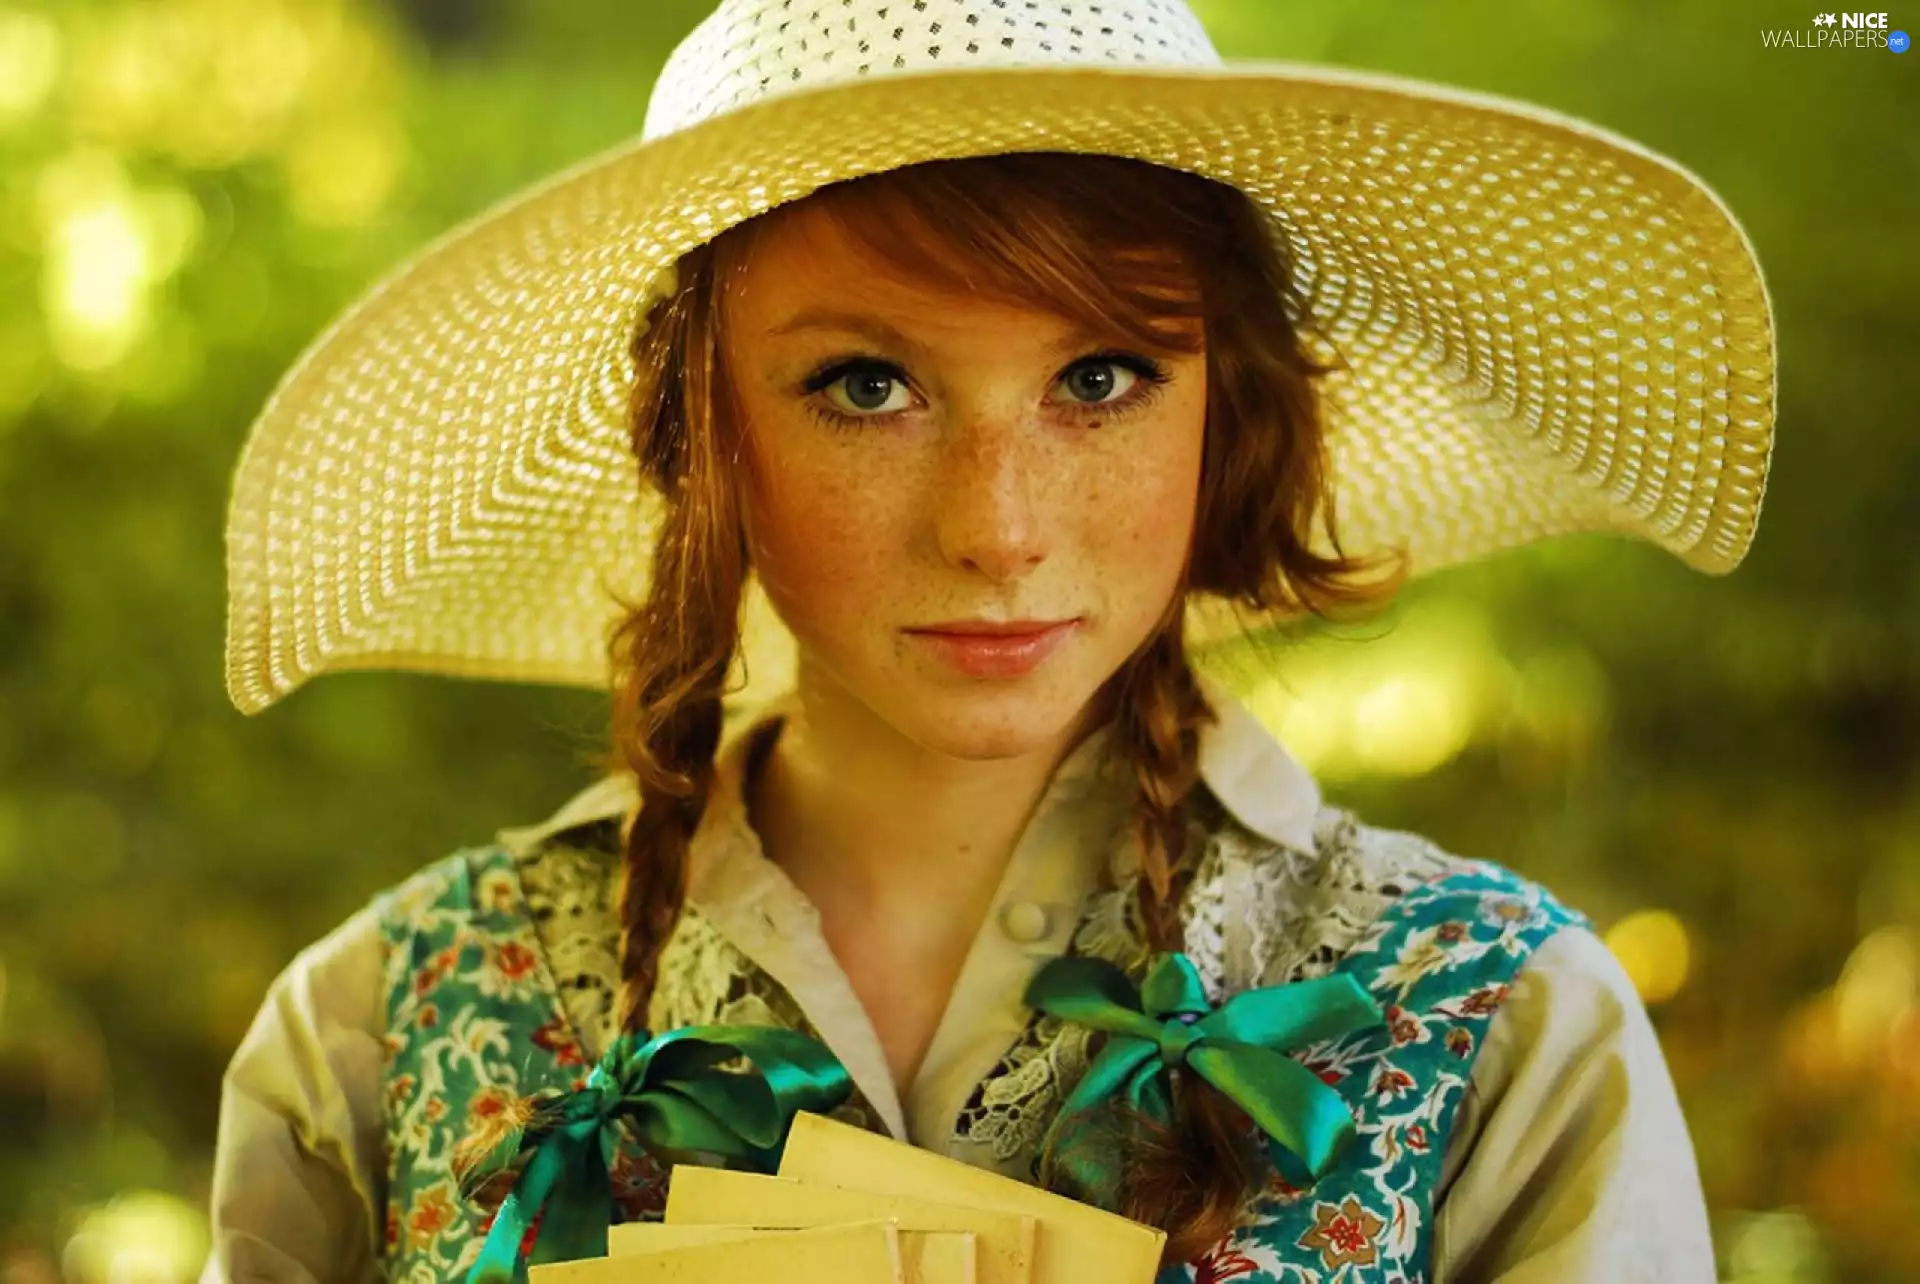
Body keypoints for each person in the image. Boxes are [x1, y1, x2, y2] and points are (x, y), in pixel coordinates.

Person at [202, 0, 1776, 1280]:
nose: (998, 528)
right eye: (867, 387)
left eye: (1100, 379)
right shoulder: (381, 1036)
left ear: (1225, 411)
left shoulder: (1498, 1023)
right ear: (699, 432)